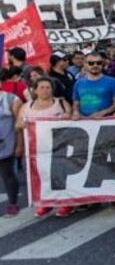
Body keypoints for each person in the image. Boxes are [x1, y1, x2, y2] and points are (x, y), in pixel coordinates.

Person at [17, 77, 68, 217]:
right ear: (35, 90)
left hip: (59, 147)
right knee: (41, 177)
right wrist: (27, 123)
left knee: (60, 176)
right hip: (36, 150)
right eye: (42, 87)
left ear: (52, 89)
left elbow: (70, 119)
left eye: (48, 87)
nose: (45, 90)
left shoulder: (61, 103)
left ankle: (66, 203)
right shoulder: (27, 106)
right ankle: (46, 203)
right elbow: (18, 125)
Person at [71, 52, 115, 120]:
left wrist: (102, 113)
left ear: (102, 64)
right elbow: (76, 103)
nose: (95, 65)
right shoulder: (78, 83)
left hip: (105, 122)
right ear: (85, 64)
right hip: (83, 123)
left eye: (99, 63)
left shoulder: (113, 82)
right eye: (91, 63)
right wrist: (75, 112)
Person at [0, 84, 22, 217]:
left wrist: (20, 145)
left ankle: (13, 204)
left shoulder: (11, 99)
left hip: (6, 145)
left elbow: (20, 125)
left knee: (8, 175)